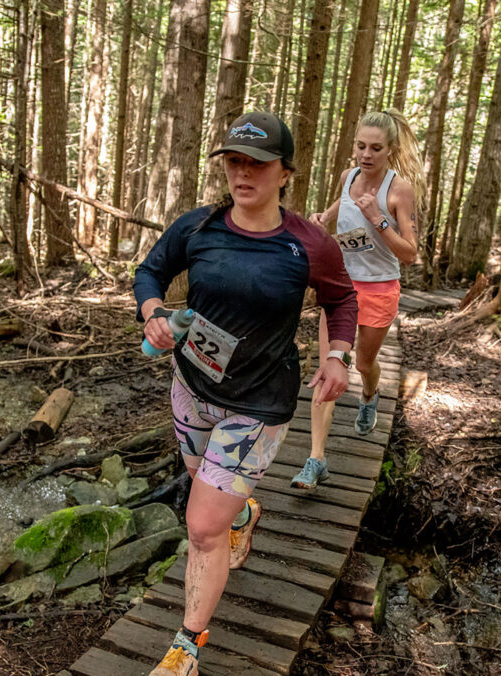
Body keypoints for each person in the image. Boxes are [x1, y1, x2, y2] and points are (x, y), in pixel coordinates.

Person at [134, 111, 358, 676]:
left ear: (285, 173)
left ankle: (186, 646)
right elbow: (149, 273)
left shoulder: (308, 244)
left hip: (259, 404)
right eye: (234, 161)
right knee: (204, 489)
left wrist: (337, 355)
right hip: (191, 387)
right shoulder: (199, 227)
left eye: (257, 164)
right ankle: (243, 515)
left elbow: (342, 301)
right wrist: (154, 314)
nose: (243, 173)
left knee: (202, 526)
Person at [291, 108, 423, 490]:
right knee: (330, 368)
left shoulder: (399, 191)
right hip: (341, 287)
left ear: (390, 150)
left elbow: (410, 254)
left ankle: (369, 395)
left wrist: (379, 219)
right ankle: (315, 458)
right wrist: (321, 220)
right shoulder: (349, 177)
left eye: (375, 148)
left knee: (363, 363)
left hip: (380, 288)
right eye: (361, 146)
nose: (366, 155)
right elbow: (335, 213)